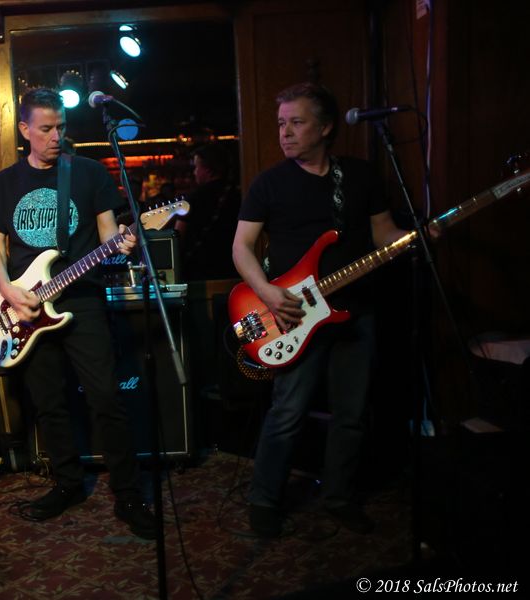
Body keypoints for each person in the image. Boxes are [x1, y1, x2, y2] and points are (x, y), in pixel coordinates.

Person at [232, 82, 411, 537]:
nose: (285, 132)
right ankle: (263, 501)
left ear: (326, 127)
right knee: (287, 412)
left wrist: (417, 238)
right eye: (281, 123)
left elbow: (383, 234)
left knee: (352, 413)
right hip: (293, 314)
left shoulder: (360, 176)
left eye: (297, 122)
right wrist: (267, 293)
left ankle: (339, 497)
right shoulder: (269, 183)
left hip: (355, 309)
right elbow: (242, 247)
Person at [0, 87, 157, 539]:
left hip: (82, 301)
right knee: (48, 402)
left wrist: (124, 242)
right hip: (25, 307)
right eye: (46, 128)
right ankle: (67, 483)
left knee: (106, 398)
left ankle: (128, 494)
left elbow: (108, 235)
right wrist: (8, 290)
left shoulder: (89, 173)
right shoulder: (6, 182)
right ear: (25, 130)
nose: (56, 136)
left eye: (61, 127)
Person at [176, 143, 240, 280]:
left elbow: (178, 235)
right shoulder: (238, 193)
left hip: (198, 269)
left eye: (196, 167)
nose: (194, 172)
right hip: (233, 266)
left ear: (209, 170)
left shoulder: (194, 198)